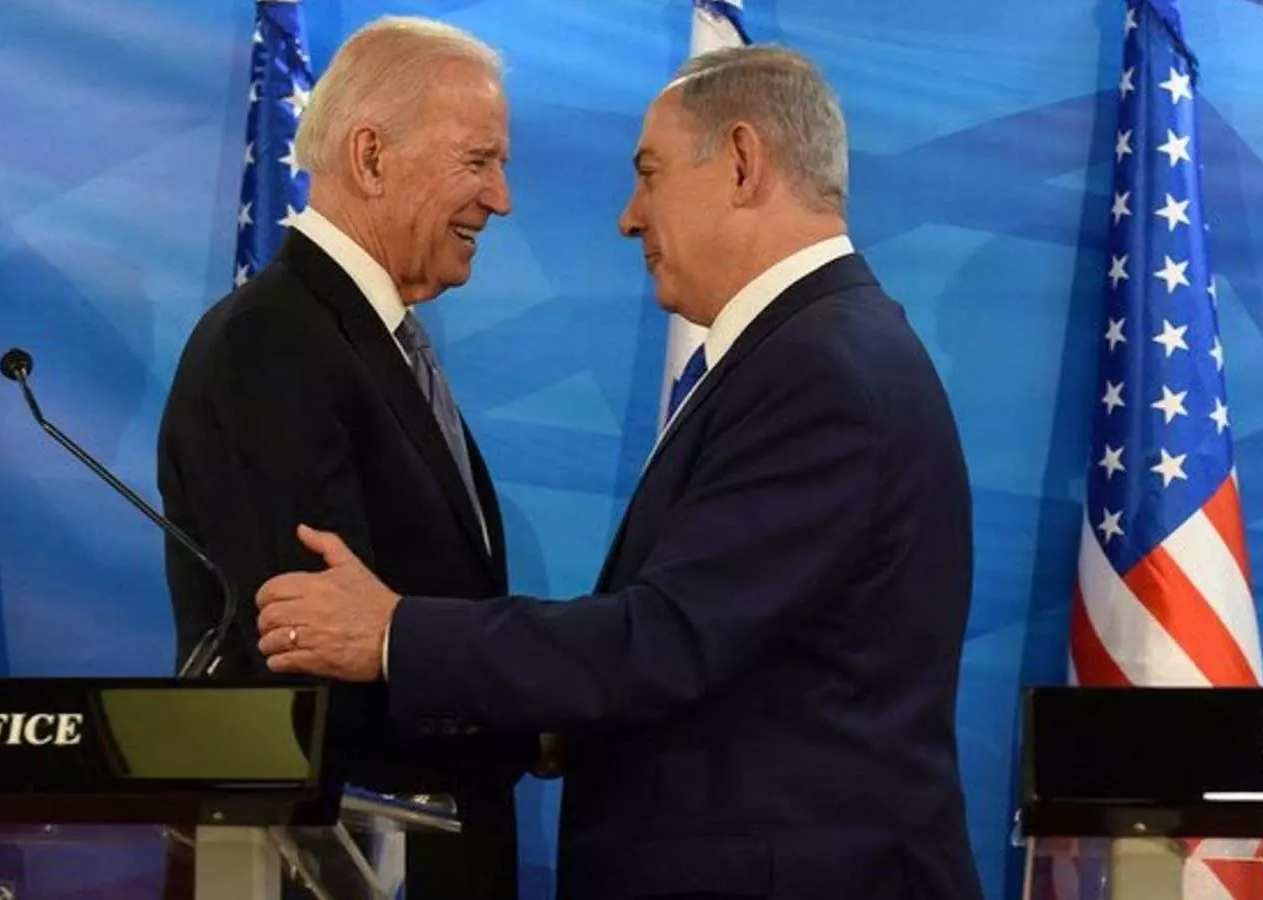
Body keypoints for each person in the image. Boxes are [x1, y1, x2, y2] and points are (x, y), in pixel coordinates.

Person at [253, 44, 986, 900]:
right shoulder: (817, 349)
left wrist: (390, 634)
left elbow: (668, 638)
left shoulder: (821, 369)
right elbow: (732, 643)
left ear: (741, 162)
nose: (629, 218)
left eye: (649, 175)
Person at [156, 16, 532, 900]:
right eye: (478, 161)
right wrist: (531, 702)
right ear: (370, 157)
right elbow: (317, 655)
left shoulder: (367, 339)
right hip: (338, 868)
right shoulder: (274, 344)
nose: (502, 198)